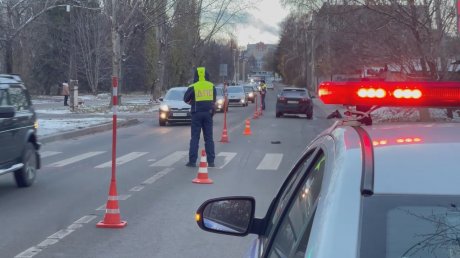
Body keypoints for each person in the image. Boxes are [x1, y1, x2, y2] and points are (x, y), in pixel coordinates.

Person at [183, 67, 217, 167]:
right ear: (206, 75)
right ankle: (211, 161)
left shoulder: (193, 86)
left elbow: (186, 99)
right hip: (208, 114)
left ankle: (192, 161)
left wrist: (193, 103)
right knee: (209, 138)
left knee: (195, 138)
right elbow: (213, 100)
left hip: (196, 114)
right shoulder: (211, 86)